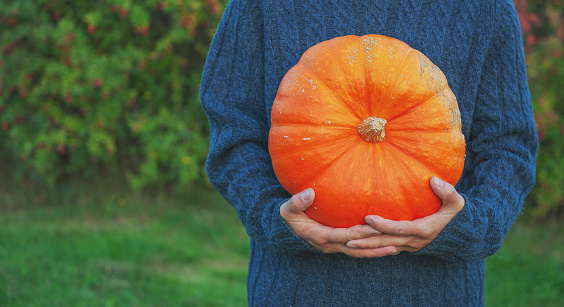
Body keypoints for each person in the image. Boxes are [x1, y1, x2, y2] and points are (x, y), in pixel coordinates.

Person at [200, 0, 538, 306]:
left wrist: (466, 226)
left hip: (439, 294)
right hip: (295, 292)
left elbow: (508, 146)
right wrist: (273, 215)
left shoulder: (485, 8)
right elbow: (233, 133)